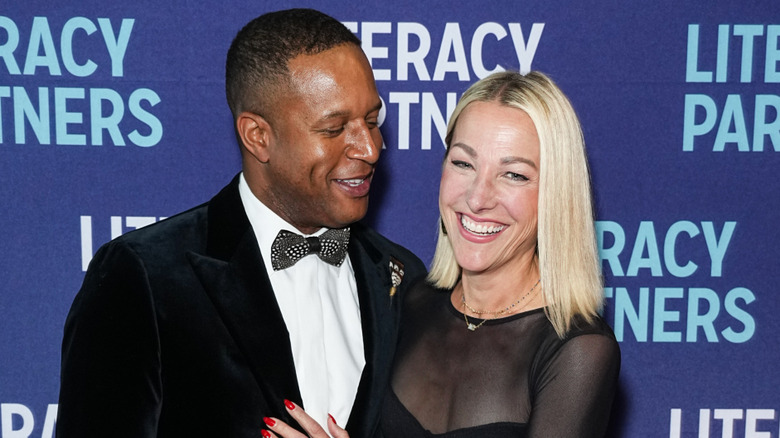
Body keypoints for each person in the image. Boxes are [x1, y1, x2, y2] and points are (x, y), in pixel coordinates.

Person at [56, 8, 426, 438]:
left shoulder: (401, 277)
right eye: (335, 128)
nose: (370, 147)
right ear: (257, 136)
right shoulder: (145, 277)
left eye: (372, 120)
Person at [262, 71, 620, 438]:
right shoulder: (409, 299)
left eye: (513, 175)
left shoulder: (577, 349)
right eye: (463, 163)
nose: (478, 198)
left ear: (556, 195)